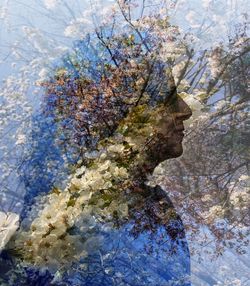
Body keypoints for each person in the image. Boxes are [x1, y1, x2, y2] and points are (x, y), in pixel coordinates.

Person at [5, 32, 192, 286]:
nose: (186, 111)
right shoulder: (71, 220)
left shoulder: (149, 209)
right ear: (125, 118)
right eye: (167, 99)